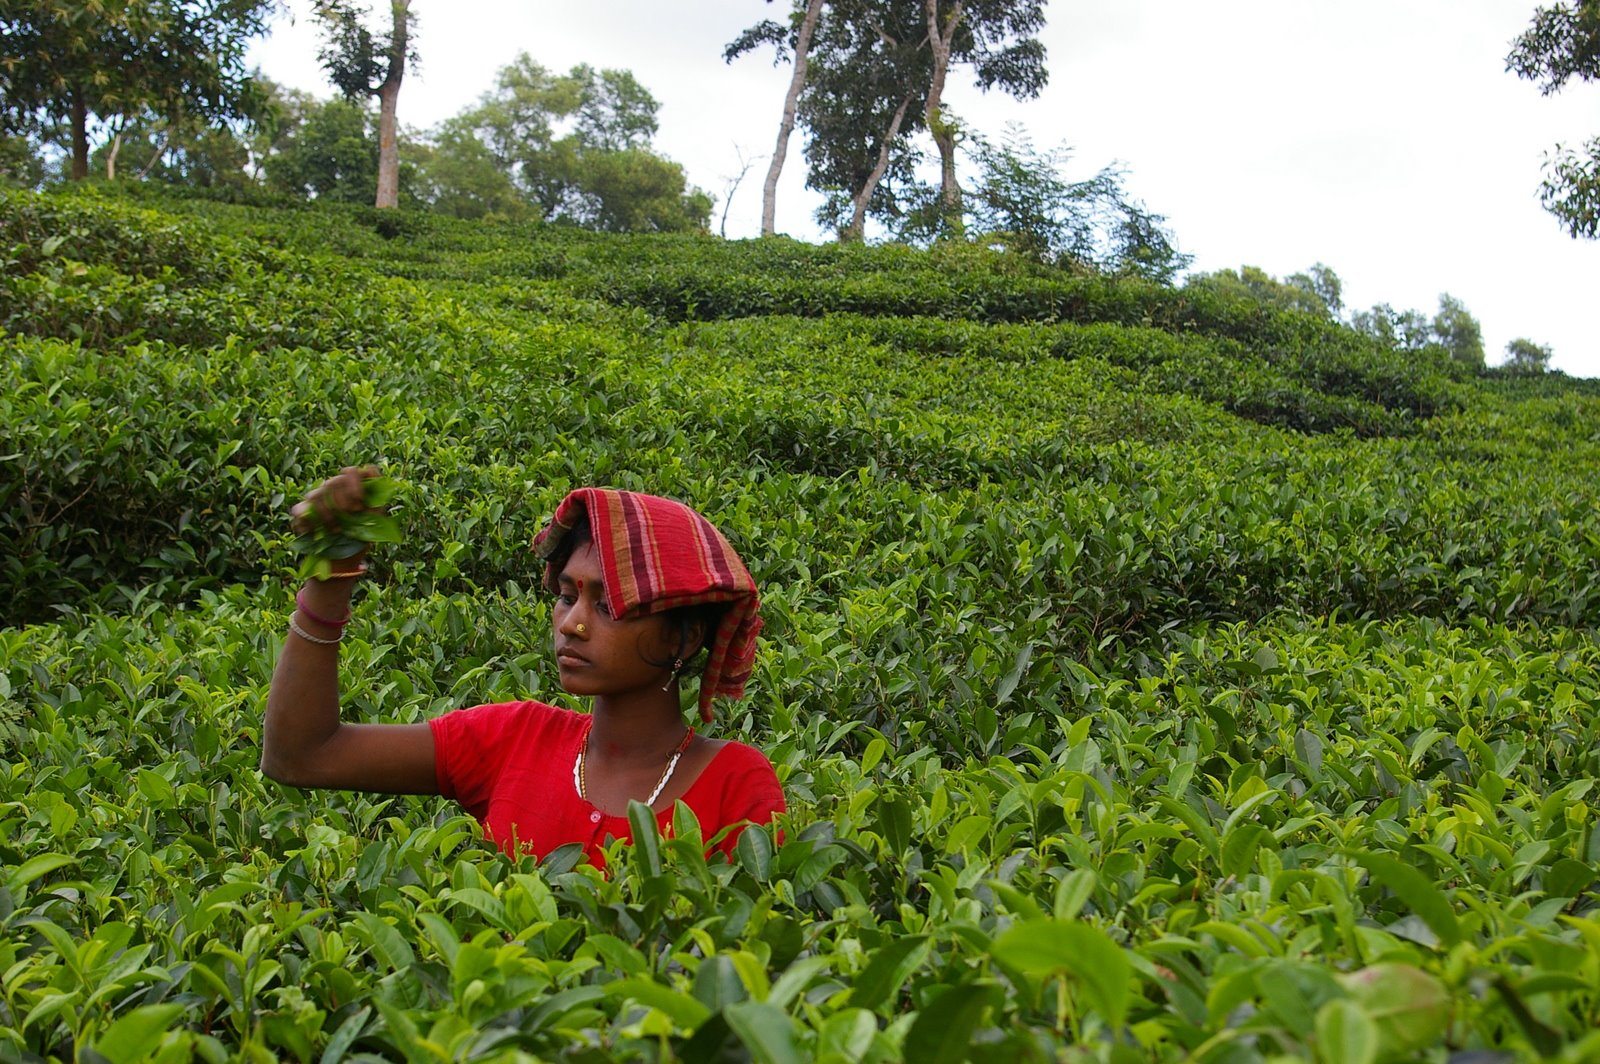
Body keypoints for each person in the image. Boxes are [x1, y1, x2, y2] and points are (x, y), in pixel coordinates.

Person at [261, 467, 785, 866]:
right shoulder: (514, 738)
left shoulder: (736, 784)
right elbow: (303, 755)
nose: (571, 624)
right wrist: (329, 581)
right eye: (565, 596)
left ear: (687, 637)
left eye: (607, 607)